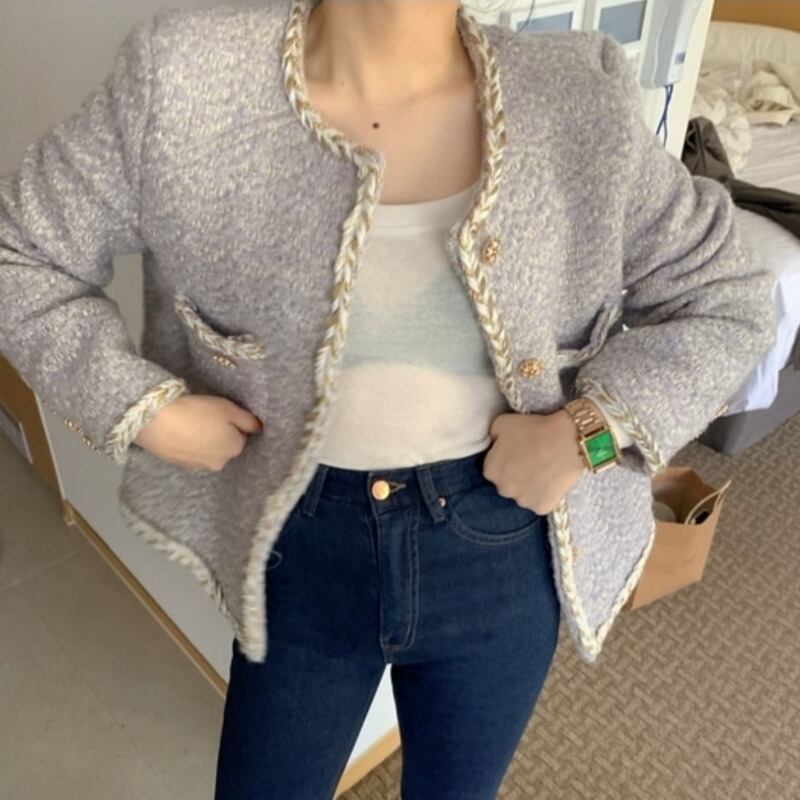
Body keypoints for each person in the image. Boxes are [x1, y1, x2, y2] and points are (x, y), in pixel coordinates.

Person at [0, 1, 778, 798]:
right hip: (299, 547)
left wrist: (588, 434)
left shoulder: (577, 94)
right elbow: (18, 253)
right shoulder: (185, 79)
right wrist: (144, 409)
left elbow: (731, 300)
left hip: (505, 547)